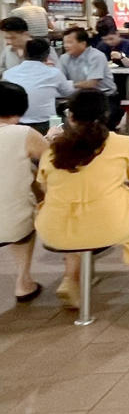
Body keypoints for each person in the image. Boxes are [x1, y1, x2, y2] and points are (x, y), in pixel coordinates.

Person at [36, 89, 129, 308]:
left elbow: (45, 187)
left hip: (54, 229)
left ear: (70, 117)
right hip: (110, 225)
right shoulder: (122, 143)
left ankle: (69, 280)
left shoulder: (53, 148)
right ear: (105, 115)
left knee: (72, 223)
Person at [0, 81, 47, 302]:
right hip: (12, 223)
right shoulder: (24, 133)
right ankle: (23, 282)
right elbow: (51, 161)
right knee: (27, 213)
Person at [59, 27, 122, 130]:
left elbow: (91, 84)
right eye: (64, 42)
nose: (66, 46)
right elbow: (60, 81)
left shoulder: (96, 56)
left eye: (70, 42)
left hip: (104, 98)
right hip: (78, 98)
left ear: (83, 43)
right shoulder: (64, 58)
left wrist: (70, 84)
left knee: (98, 126)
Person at [5, 39, 73, 134]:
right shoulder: (54, 73)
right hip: (47, 124)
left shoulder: (8, 74)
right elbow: (68, 92)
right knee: (64, 119)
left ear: (24, 53)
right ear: (47, 55)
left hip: (16, 124)